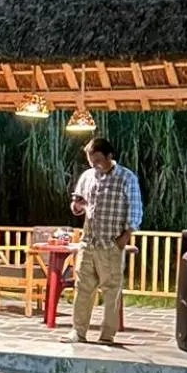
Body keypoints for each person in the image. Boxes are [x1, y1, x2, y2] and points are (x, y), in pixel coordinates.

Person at [67, 137, 143, 345]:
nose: (94, 164)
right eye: (91, 159)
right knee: (83, 288)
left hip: (111, 243)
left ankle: (107, 334)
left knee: (111, 290)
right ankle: (78, 331)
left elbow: (135, 210)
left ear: (109, 156)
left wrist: (123, 239)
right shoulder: (88, 176)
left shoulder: (126, 178)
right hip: (89, 241)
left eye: (98, 159)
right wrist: (77, 206)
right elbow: (78, 205)